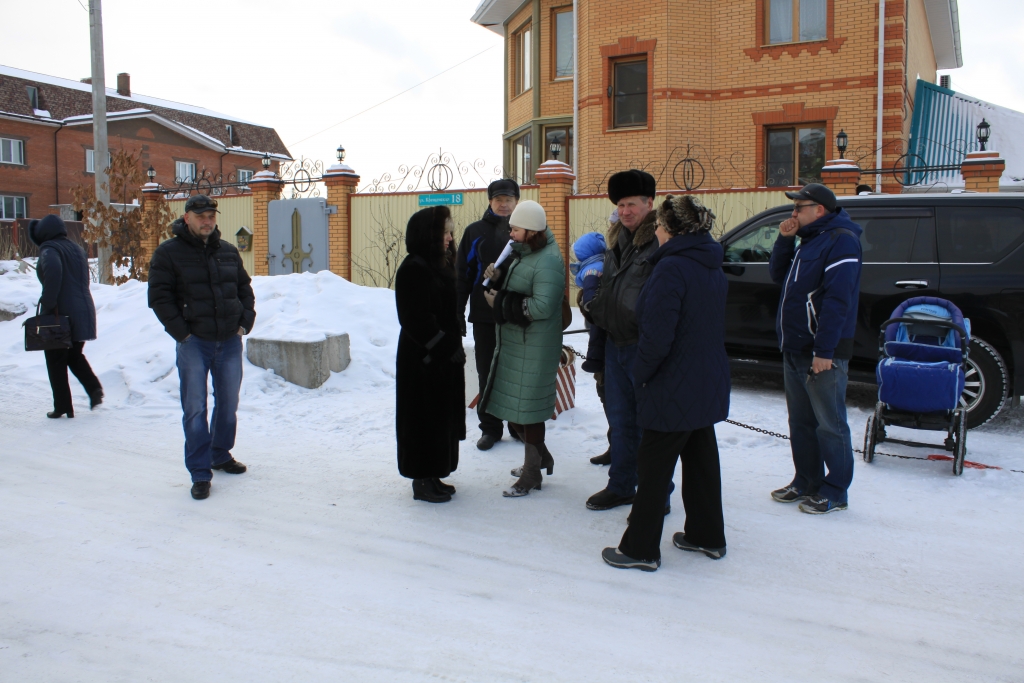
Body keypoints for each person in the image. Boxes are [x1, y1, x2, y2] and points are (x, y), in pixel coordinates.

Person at [602, 195, 730, 572]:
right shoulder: (708, 262)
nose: (654, 231)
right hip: (705, 379)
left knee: (654, 466)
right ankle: (706, 536)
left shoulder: (671, 268)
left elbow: (657, 337)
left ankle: (640, 549)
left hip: (673, 381)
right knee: (701, 458)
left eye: (659, 226)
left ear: (672, 231)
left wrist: (640, 374)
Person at [148, 194, 256, 501]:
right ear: (187, 218)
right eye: (200, 216)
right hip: (194, 342)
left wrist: (244, 322)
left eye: (211, 215)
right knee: (195, 408)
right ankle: (199, 471)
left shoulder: (227, 251)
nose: (207, 221)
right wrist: (182, 334)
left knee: (228, 403)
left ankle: (219, 454)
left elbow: (243, 289)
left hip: (229, 340)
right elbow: (159, 298)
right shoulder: (168, 253)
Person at [768, 183, 862, 514]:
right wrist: (784, 239)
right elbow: (777, 275)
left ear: (818, 210)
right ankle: (805, 480)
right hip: (795, 346)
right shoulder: (809, 240)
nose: (793, 213)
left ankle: (835, 490)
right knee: (801, 421)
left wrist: (825, 351)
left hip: (822, 353)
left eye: (799, 207)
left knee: (829, 423)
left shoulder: (841, 240)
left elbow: (838, 301)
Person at [584, 169, 673, 511]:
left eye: (631, 204)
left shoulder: (661, 241)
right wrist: (590, 301)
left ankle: (657, 493)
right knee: (621, 422)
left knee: (650, 426)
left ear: (649, 203)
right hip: (614, 344)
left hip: (644, 346)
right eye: (620, 205)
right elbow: (610, 288)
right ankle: (621, 485)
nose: (625, 211)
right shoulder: (616, 241)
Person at [478, 200, 566, 497]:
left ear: (530, 230)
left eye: (515, 229)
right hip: (518, 342)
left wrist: (499, 303)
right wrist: (499, 276)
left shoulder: (548, 259)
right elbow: (521, 286)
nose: (510, 234)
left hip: (536, 346)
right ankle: (541, 458)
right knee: (513, 408)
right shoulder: (525, 251)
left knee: (528, 411)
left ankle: (532, 474)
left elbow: (542, 305)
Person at [394, 206, 467, 503]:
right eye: (444, 233)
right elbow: (414, 319)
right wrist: (442, 346)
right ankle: (421, 480)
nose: (450, 238)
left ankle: (435, 473)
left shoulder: (440, 264)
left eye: (450, 232)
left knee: (440, 418)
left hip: (442, 358)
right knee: (422, 419)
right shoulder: (414, 267)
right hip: (422, 360)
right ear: (429, 236)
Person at [456, 179, 520, 451]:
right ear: (490, 201)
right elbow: (462, 275)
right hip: (484, 316)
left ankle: (519, 424)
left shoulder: (527, 230)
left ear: (517, 200)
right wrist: (457, 311)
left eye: (508, 199)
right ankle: (490, 428)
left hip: (518, 313)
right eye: (498, 199)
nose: (503, 204)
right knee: (487, 371)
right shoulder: (475, 232)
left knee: (518, 372)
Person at [29, 215, 103, 418]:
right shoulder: (75, 248)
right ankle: (94, 388)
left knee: (55, 359)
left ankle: (62, 406)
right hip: (83, 309)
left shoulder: (49, 249)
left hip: (61, 314)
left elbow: (53, 273)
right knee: (73, 354)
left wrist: (48, 304)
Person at [571, 230, 612, 465]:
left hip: (603, 335)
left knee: (608, 393)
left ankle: (619, 449)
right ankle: (615, 446)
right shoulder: (606, 262)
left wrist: (587, 305)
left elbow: (591, 302)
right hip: (607, 331)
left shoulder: (591, 270)